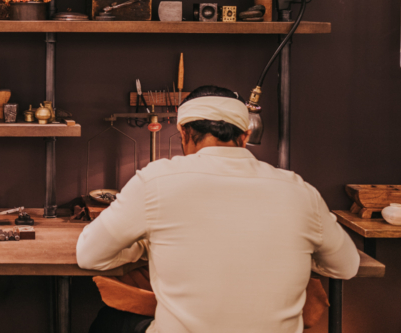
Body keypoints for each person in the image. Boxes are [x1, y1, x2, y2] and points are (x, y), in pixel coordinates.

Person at [76, 85, 359, 333]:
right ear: (245, 135)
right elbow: (347, 266)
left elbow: (90, 255)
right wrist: (291, 251)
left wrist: (144, 246)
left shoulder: (156, 181)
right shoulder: (300, 190)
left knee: (110, 320)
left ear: (184, 132)